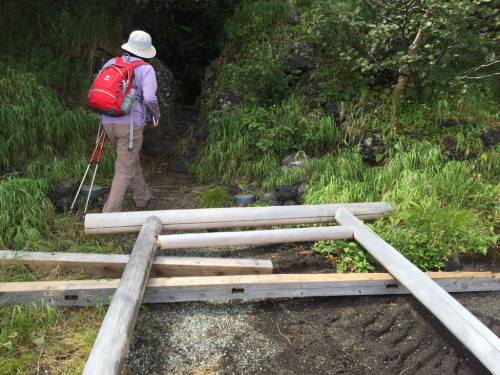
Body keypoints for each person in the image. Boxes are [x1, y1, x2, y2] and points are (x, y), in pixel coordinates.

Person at [99, 30, 161, 213]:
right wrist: (155, 115)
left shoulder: (111, 63)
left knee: (130, 160)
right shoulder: (146, 69)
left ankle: (142, 197)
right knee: (124, 168)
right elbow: (149, 98)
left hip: (108, 121)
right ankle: (109, 215)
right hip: (130, 124)